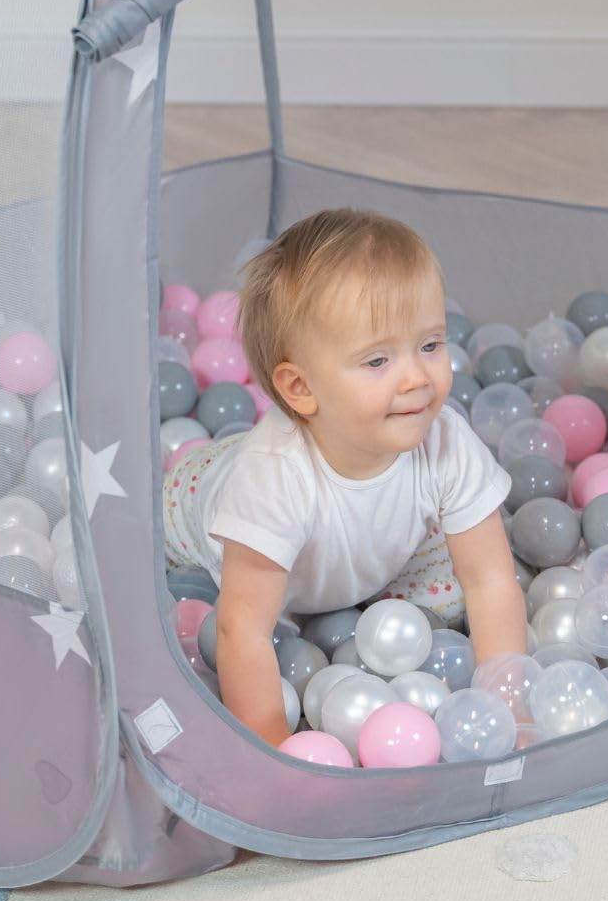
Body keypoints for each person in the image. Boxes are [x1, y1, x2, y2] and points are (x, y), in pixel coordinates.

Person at [162, 207, 527, 747]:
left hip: (349, 546)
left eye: (430, 345)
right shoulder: (271, 481)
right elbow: (243, 629)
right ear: (301, 389)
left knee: (447, 606)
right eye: (377, 361)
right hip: (201, 506)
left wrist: (508, 712)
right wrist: (275, 753)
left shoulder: (446, 440)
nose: (416, 377)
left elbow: (490, 580)